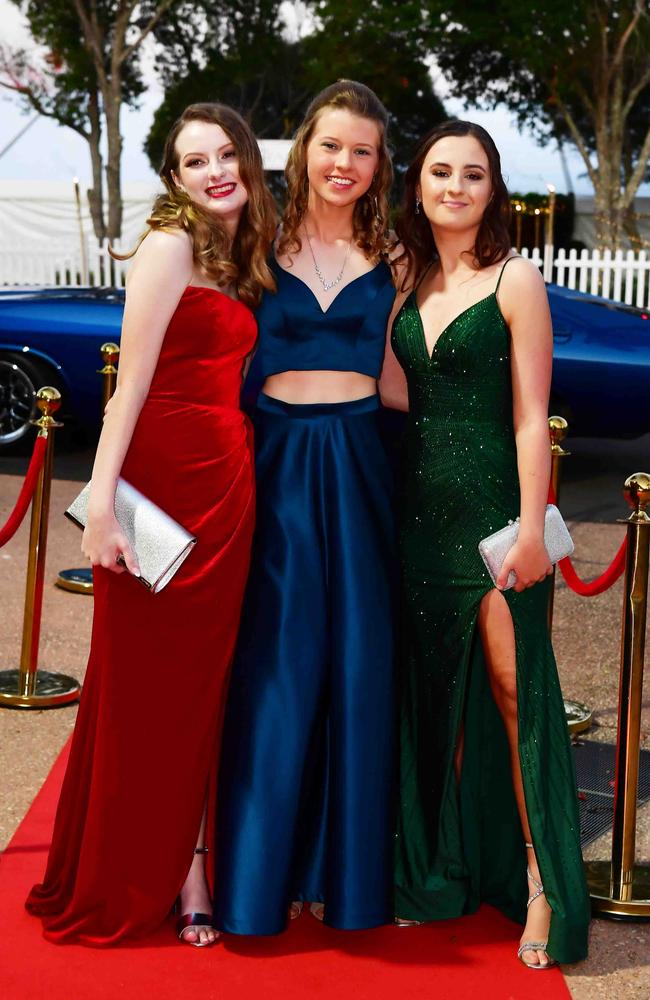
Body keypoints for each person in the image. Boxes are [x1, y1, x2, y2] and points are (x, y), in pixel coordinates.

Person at [26, 103, 277, 947]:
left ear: (245, 160)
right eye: (192, 161)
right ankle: (161, 874)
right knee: (145, 695)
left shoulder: (241, 257)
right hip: (160, 495)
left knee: (204, 695)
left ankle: (195, 860)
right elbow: (126, 386)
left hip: (227, 492)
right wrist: (100, 504)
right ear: (174, 179)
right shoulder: (170, 248)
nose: (213, 172)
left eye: (223, 155)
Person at [379, 120, 590, 967]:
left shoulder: (518, 278)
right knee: (430, 700)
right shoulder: (403, 273)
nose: (455, 187)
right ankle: (437, 870)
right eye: (440, 172)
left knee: (512, 697)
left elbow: (532, 415)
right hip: (414, 518)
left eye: (473, 173)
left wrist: (535, 528)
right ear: (419, 185)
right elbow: (390, 391)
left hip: (497, 522)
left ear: (493, 187)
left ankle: (540, 885)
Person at [213, 80, 397, 935]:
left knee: (357, 666)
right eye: (331, 146)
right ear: (303, 149)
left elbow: (407, 380)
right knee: (278, 670)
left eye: (362, 150)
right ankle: (258, 882)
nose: (344, 164)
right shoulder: (252, 243)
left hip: (362, 465)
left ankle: (347, 881)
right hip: (276, 462)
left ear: (378, 164)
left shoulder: (397, 256)